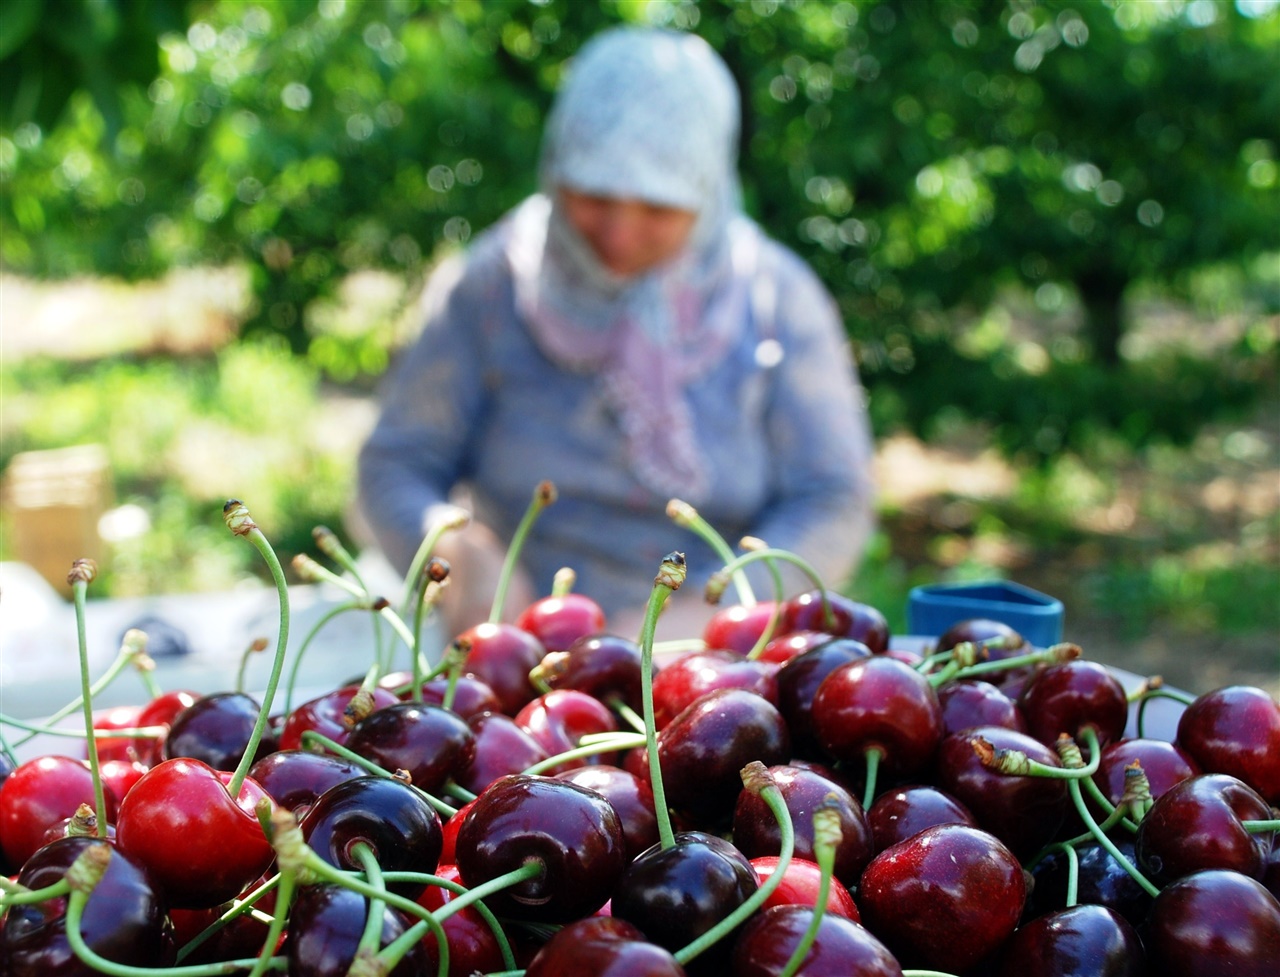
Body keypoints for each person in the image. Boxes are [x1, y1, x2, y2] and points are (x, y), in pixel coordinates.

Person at [355, 25, 876, 645]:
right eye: (594, 194)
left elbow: (833, 498)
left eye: (658, 208)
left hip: (715, 661)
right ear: (556, 169)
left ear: (708, 195)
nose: (620, 232)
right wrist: (456, 551)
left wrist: (723, 607)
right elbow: (395, 465)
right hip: (513, 646)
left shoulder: (773, 298)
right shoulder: (494, 286)